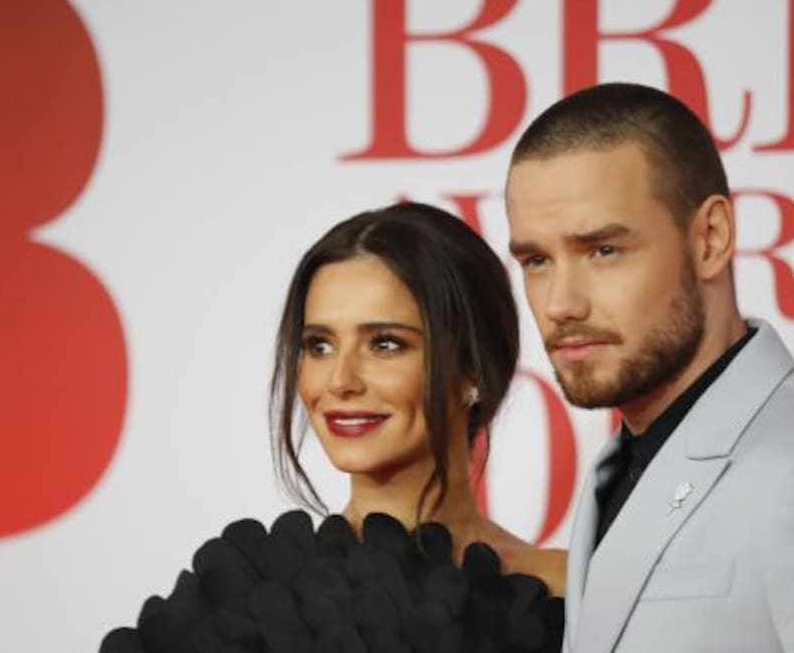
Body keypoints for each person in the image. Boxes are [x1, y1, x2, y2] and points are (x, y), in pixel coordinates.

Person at [504, 83, 794, 652]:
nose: (560, 303)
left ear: (711, 239)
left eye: (604, 250)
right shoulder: (620, 465)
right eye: (537, 260)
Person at [102, 203, 565, 653]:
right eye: (319, 346)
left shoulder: (566, 593)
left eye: (385, 344)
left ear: (475, 369)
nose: (340, 381)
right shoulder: (241, 599)